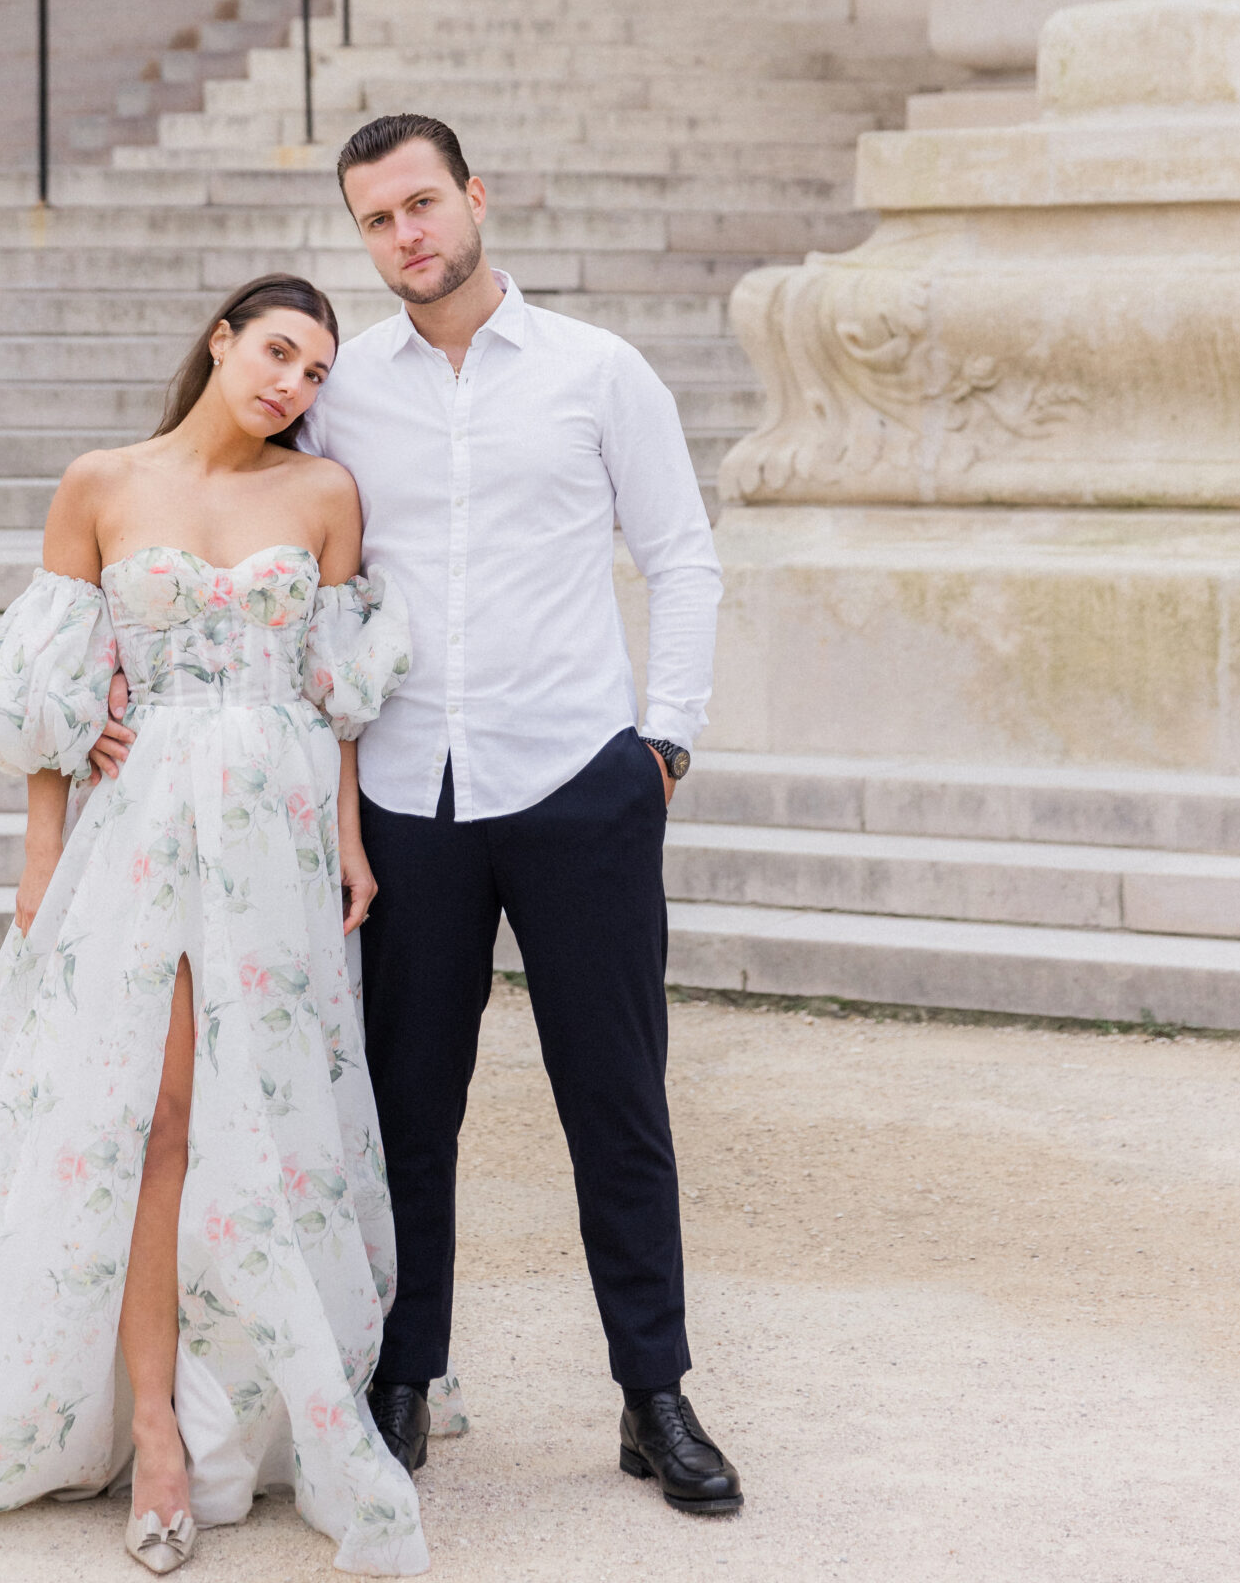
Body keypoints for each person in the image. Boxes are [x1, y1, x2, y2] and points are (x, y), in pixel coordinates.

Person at [0, 273, 428, 1577]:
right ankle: (154, 1430)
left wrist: (352, 845)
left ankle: (249, 1393)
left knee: (261, 1124)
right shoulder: (101, 483)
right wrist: (41, 860)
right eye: (277, 353)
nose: (291, 387)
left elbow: (342, 699)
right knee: (155, 1119)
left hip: (275, 844)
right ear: (221, 340)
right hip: (136, 834)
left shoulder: (323, 498)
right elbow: (51, 688)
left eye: (316, 374)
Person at [302, 112, 740, 1513]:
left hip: (576, 782)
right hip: (407, 797)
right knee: (404, 1105)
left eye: (422, 204)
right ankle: (401, 1376)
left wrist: (660, 746)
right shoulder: (338, 389)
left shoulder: (597, 372)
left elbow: (682, 556)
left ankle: (652, 1389)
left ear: (476, 198)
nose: (405, 237)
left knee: (615, 1098)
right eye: (377, 221)